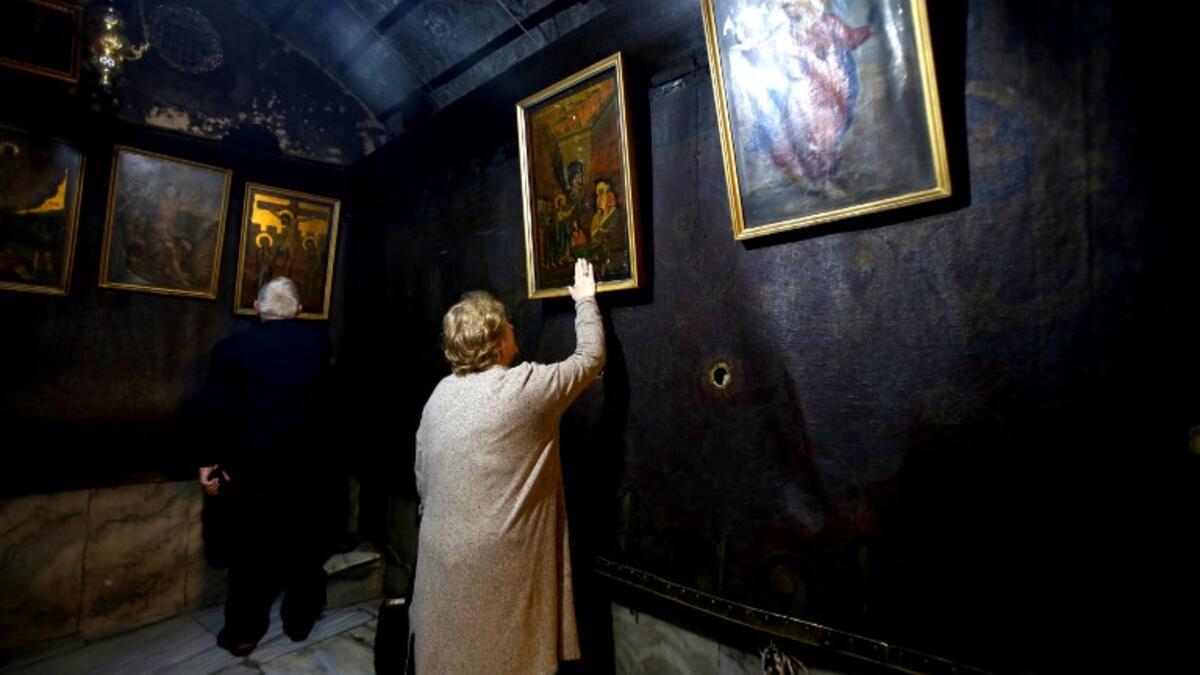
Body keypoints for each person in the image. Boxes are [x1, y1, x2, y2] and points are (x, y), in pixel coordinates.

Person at [409, 259, 605, 675]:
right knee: (504, 656)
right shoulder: (524, 388)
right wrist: (586, 301)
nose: (515, 330)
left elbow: (423, 479)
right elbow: (590, 358)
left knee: (453, 655)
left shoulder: (439, 395)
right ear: (497, 341)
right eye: (509, 325)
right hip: (499, 563)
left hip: (441, 556)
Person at [197, 276, 340, 657]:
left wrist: (210, 464)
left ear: (257, 307)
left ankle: (243, 633)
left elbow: (216, 411)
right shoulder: (318, 344)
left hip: (250, 472)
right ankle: (300, 623)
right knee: (304, 550)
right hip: (307, 470)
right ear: (299, 310)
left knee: (248, 554)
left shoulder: (232, 349)